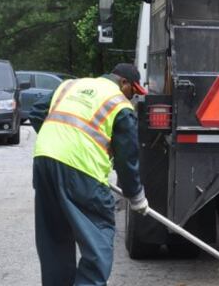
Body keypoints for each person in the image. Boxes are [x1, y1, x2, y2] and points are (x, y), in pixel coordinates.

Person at [30, 63, 150, 286]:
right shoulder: (119, 103)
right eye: (133, 91)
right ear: (123, 83)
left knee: (54, 237)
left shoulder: (70, 86)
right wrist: (136, 196)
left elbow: (37, 112)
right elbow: (127, 158)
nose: (132, 98)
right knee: (98, 238)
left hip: (44, 160)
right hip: (82, 170)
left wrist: (59, 141)